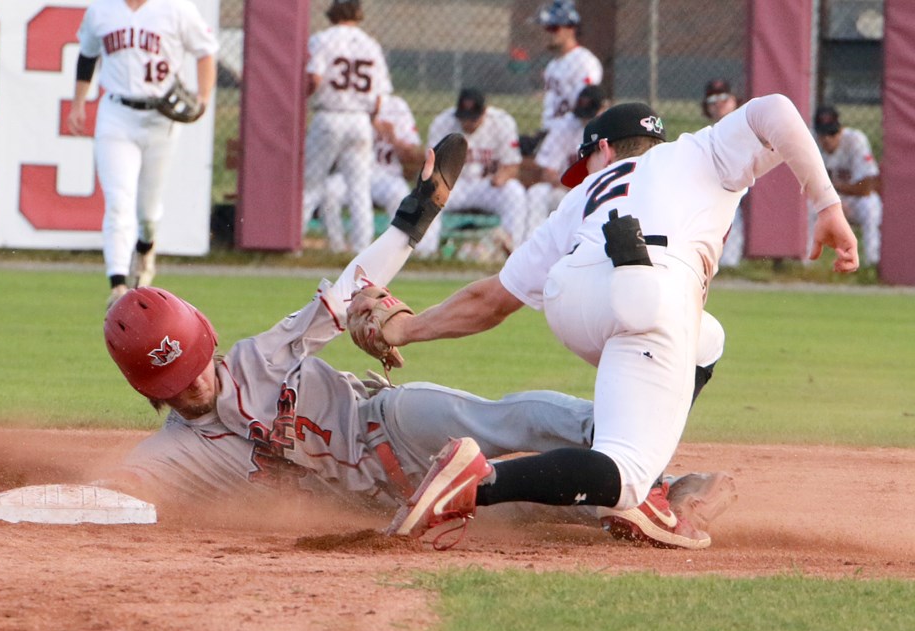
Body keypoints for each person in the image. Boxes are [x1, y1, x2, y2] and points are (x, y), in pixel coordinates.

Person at [103, 138, 735, 546]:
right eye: (173, 384)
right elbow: (119, 492)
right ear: (147, 390)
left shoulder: (261, 355)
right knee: (541, 512)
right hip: (374, 502)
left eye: (193, 366)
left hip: (389, 424)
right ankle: (627, 501)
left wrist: (413, 219)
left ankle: (653, 471)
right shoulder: (175, 454)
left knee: (509, 418)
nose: (193, 385)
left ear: (206, 341)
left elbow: (351, 288)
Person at [353, 95, 859, 549]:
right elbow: (775, 109)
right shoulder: (699, 152)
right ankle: (478, 483)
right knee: (626, 474)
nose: (584, 171)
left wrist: (403, 328)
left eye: (586, 160)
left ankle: (632, 471)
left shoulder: (579, 199)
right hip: (650, 291)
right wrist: (827, 204)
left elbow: (491, 301)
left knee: (706, 338)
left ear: (608, 151)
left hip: (573, 296)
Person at [68, 0, 218, 309]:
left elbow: (206, 50)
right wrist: (79, 103)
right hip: (117, 113)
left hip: (161, 117)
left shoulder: (177, 9)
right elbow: (88, 54)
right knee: (118, 201)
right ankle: (118, 283)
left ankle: (145, 248)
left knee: (147, 213)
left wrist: (203, 98)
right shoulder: (102, 10)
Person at [301, 0, 393, 255]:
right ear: (358, 13)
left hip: (329, 116)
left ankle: (294, 244)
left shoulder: (322, 39)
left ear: (332, 12)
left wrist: (303, 97)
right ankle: (362, 250)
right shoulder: (370, 44)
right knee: (359, 189)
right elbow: (379, 96)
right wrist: (371, 117)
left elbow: (315, 78)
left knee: (311, 184)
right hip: (360, 119)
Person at [318, 95, 426, 255]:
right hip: (350, 174)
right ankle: (337, 249)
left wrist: (392, 137)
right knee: (328, 192)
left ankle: (394, 254)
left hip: (387, 176)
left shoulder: (396, 106)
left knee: (400, 196)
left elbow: (413, 157)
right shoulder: (347, 104)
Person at [424, 88, 529, 252]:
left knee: (515, 192)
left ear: (484, 112)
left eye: (473, 119)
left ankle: (512, 249)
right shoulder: (442, 122)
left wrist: (501, 177)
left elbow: (512, 165)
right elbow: (432, 166)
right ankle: (425, 252)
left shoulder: (502, 122)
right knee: (429, 194)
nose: (467, 123)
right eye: (464, 118)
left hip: (488, 186)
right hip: (453, 187)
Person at [520, 0, 604, 158]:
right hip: (551, 133)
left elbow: (587, 107)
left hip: (574, 134)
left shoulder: (584, 62)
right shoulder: (553, 65)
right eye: (546, 28)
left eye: (553, 28)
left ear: (570, 28)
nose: (548, 33)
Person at [526, 85, 607, 240]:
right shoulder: (565, 125)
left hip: (601, 193)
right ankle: (530, 244)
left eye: (590, 114)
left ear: (604, 108)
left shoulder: (613, 128)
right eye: (582, 114)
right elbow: (548, 172)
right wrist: (572, 187)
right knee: (537, 192)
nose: (585, 119)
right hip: (566, 191)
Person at [811, 105, 882, 266]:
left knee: (871, 206)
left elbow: (867, 187)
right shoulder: (810, 144)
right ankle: (804, 262)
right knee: (807, 208)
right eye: (823, 134)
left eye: (832, 133)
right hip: (826, 200)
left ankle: (873, 262)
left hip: (853, 200)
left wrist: (836, 191)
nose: (827, 139)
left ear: (840, 129)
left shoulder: (855, 140)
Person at [701, 78, 745, 267]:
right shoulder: (705, 135)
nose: (719, 104)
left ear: (734, 100)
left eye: (724, 98)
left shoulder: (747, 125)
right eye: (713, 100)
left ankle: (729, 264)